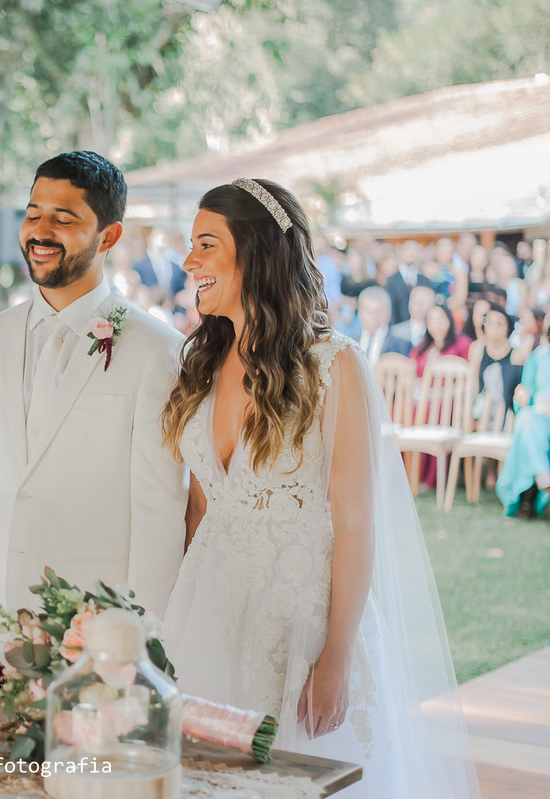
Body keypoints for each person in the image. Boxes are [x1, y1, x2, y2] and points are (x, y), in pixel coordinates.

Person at [160, 178, 479, 799]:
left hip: (299, 625)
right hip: (205, 616)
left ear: (254, 254)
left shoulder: (334, 366)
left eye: (205, 244)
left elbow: (356, 522)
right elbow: (200, 509)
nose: (187, 261)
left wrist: (334, 656)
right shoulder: (199, 363)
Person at [0, 151, 186, 658]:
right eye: (32, 213)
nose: (40, 230)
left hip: (90, 624)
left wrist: (137, 639)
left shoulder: (157, 350)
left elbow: (159, 511)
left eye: (63, 219)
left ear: (109, 237)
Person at [496, 333, 550, 517]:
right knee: (526, 418)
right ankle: (542, 476)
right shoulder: (539, 356)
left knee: (528, 428)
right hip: (539, 418)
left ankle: (538, 479)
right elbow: (526, 394)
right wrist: (523, 399)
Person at [336, 286, 411, 361]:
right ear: (360, 314)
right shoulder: (349, 344)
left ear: (388, 314)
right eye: (368, 311)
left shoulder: (402, 346)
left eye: (378, 311)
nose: (373, 316)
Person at [410, 303, 471, 377]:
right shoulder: (421, 348)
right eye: (432, 321)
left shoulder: (463, 344)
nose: (437, 325)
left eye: (441, 319)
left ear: (449, 320)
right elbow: (412, 371)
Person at [389, 285, 435, 352]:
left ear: (433, 304)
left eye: (424, 301)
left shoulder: (438, 334)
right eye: (416, 300)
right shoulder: (395, 332)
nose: (419, 304)